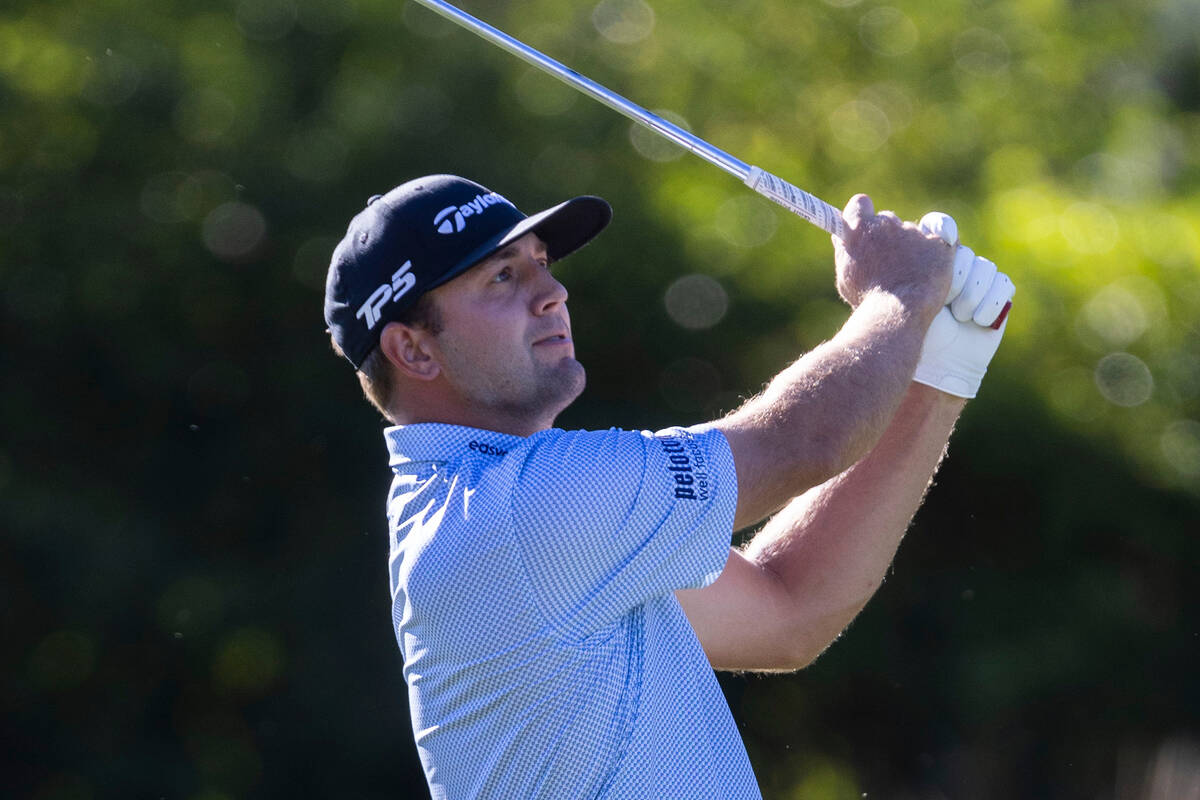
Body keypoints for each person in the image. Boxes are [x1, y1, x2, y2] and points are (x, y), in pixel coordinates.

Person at [323, 174, 1014, 799]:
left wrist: (936, 375)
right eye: (502, 277)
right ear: (413, 348)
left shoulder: (519, 518)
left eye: (541, 263)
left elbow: (789, 611)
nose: (552, 293)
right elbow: (804, 442)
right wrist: (898, 296)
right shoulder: (517, 508)